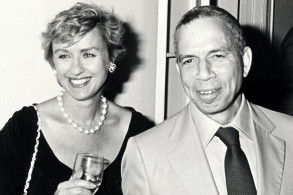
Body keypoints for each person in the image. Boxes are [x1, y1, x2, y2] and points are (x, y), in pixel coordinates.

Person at [121, 6, 293, 195]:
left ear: (245, 61)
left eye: (217, 56)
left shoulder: (289, 134)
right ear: (179, 69)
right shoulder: (145, 154)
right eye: (189, 60)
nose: (203, 74)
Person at [0, 2, 153, 195]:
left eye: (88, 54)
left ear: (111, 58)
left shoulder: (140, 132)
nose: (76, 69)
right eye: (64, 56)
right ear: (54, 63)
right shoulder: (24, 129)